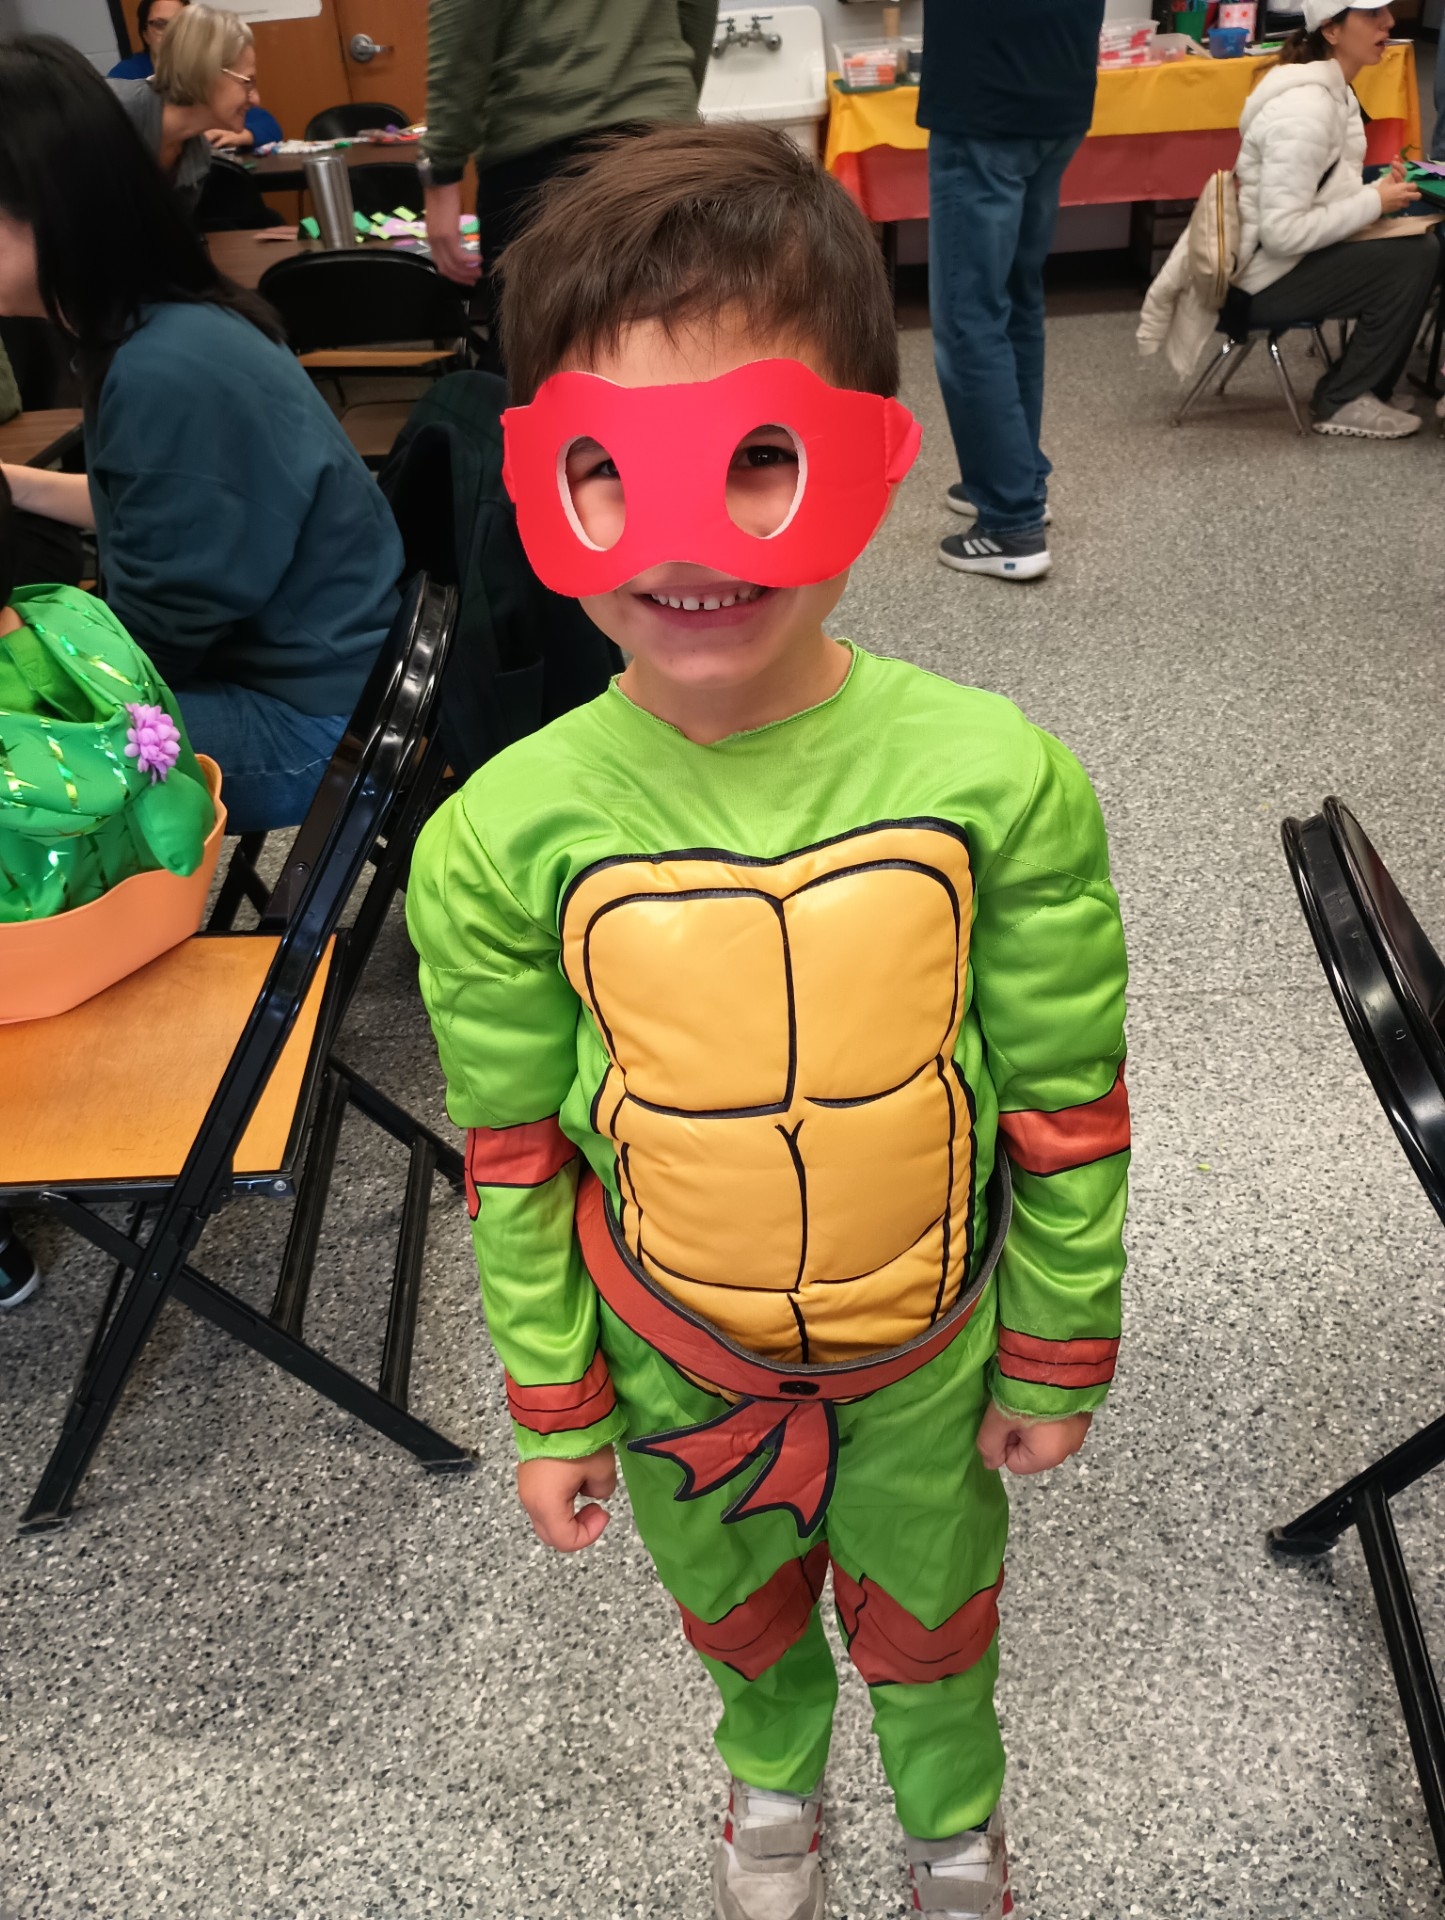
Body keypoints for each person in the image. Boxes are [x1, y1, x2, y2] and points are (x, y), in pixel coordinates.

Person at [407, 123, 1129, 1920]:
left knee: (940, 1615)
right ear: (536, 484)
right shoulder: (498, 837)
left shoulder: (996, 780)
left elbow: (1060, 1094)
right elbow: (513, 1150)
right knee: (734, 1620)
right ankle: (769, 1792)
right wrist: (558, 1403)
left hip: (928, 1353)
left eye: (762, 462)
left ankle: (952, 1822)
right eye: (614, 472)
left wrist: (1057, 1342)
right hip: (680, 1369)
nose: (695, 542)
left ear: (874, 467)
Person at [0, 37, 404, 835]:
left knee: (22, 749)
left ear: (45, 210)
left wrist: (34, 655)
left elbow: (154, 646)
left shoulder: (164, 368)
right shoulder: (157, 325)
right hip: (314, 678)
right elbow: (146, 506)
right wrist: (15, 483)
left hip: (313, 726)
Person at [918, 0, 1105, 585]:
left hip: (984, 96)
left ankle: (1009, 520)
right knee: (1016, 299)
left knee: (970, 314)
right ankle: (1018, 482)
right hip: (1059, 84)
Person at [420, 0, 717, 353]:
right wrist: (669, 99)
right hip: (660, 132)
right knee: (677, 341)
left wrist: (442, 169)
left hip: (545, 136)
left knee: (541, 362)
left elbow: (462, 12)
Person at [1236, 1, 1437, 438]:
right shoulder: (1306, 111)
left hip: (1284, 263)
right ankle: (1342, 399)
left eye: (1386, 11)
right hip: (1260, 282)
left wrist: (1376, 192)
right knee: (1415, 257)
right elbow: (1281, 233)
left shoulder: (1334, 89)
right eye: (1371, 15)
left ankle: (1369, 387)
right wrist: (1373, 203)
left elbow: (1322, 194)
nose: (1387, 22)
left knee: (1423, 225)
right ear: (1331, 31)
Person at [108, 5, 271, 216]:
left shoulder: (196, 156)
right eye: (248, 82)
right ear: (206, 72)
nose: (256, 99)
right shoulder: (112, 114)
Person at [109, 0, 282, 150]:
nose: (173, 34)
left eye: (180, 25)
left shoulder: (197, 155)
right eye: (161, 25)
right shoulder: (118, 102)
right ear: (145, 34)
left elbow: (268, 124)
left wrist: (242, 135)